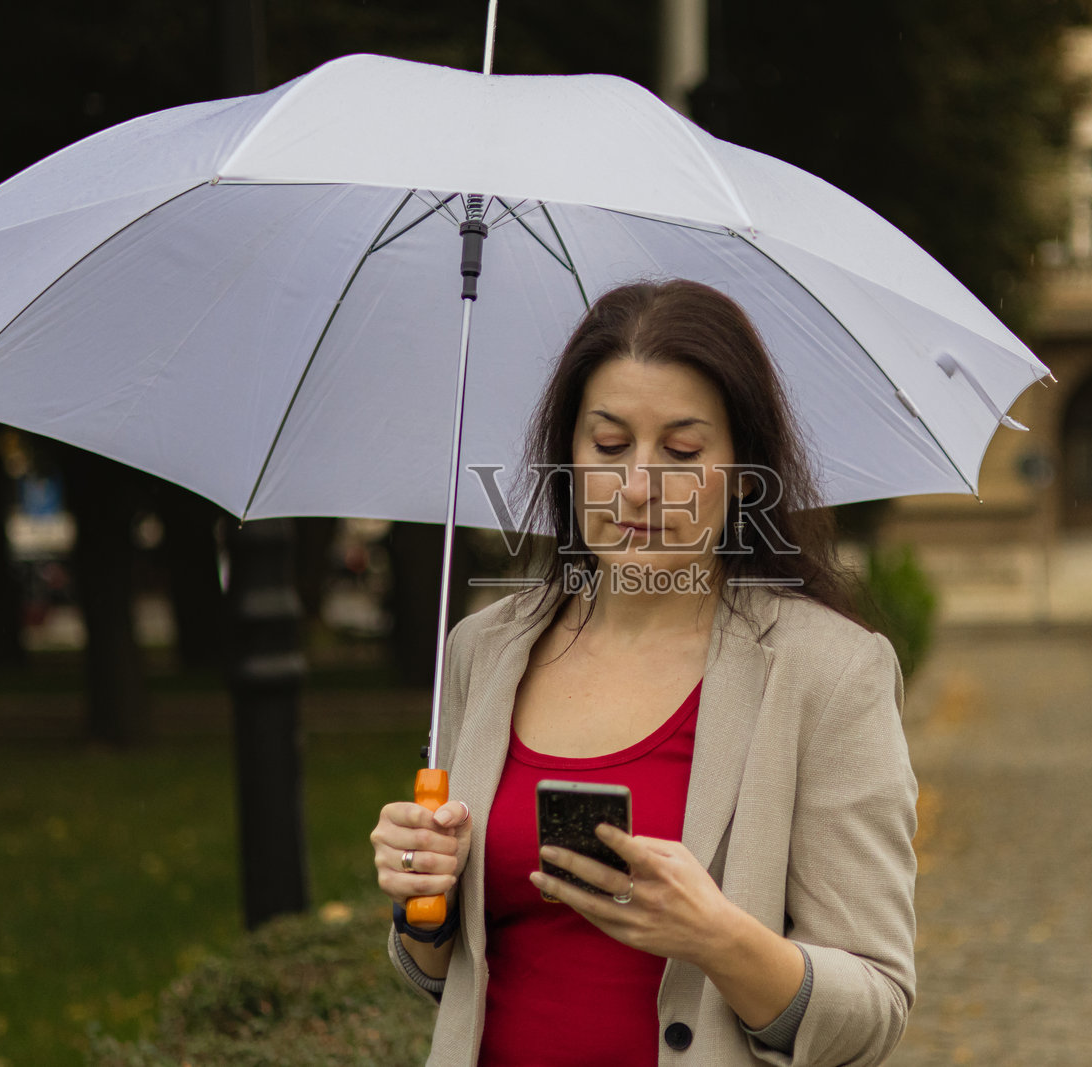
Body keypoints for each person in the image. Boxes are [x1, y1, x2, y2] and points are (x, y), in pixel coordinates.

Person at [371, 279, 918, 1067]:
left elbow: (874, 1009)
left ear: (741, 470)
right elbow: (446, 977)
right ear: (569, 453)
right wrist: (421, 906)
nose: (637, 487)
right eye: (610, 444)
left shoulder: (829, 671)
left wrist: (717, 936)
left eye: (683, 451)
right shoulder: (482, 650)